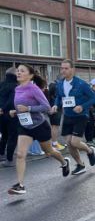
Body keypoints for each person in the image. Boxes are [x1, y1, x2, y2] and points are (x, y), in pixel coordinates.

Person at [7, 64, 69, 194]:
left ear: (30, 75)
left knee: (49, 152)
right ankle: (20, 185)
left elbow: (46, 107)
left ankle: (64, 162)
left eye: (22, 71)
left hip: (39, 126)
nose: (18, 73)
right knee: (20, 154)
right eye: (17, 71)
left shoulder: (34, 88)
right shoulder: (17, 89)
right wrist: (15, 111)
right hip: (24, 126)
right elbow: (21, 107)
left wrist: (28, 109)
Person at [52, 59, 95, 175]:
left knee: (75, 142)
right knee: (69, 143)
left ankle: (89, 151)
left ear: (72, 69)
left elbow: (94, 98)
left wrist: (82, 106)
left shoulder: (81, 84)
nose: (63, 71)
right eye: (62, 68)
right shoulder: (60, 83)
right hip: (67, 116)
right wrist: (56, 105)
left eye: (66, 68)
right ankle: (80, 165)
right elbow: (59, 97)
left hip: (80, 116)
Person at [0, 66, 19, 167]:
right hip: (11, 114)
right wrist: (4, 108)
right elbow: (12, 101)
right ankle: (9, 159)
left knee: (4, 135)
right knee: (12, 136)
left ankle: (1, 154)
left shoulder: (1, 84)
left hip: (1, 114)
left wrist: (1, 109)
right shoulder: (15, 86)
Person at [46, 77, 65, 151]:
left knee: (54, 126)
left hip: (52, 108)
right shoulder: (56, 86)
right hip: (55, 109)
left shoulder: (52, 85)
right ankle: (54, 144)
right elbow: (58, 97)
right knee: (55, 126)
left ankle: (54, 143)